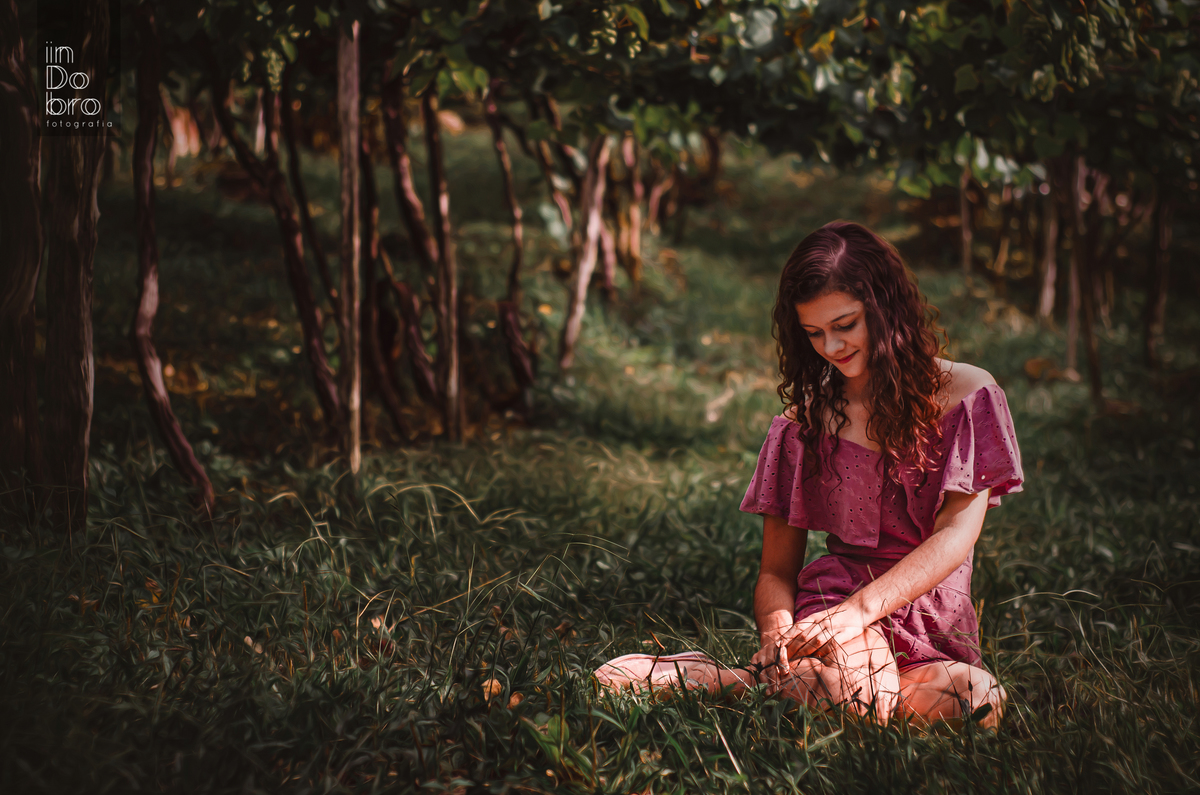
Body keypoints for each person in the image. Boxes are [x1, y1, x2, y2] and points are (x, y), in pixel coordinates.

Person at [593, 221, 1023, 728]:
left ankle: (734, 682)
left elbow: (956, 534)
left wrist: (864, 610)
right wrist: (777, 634)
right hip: (835, 603)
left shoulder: (968, 394)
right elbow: (776, 569)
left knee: (981, 704)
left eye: (846, 324)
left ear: (887, 310)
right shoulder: (805, 422)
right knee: (856, 703)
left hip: (931, 615)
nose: (832, 348)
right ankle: (760, 679)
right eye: (814, 333)